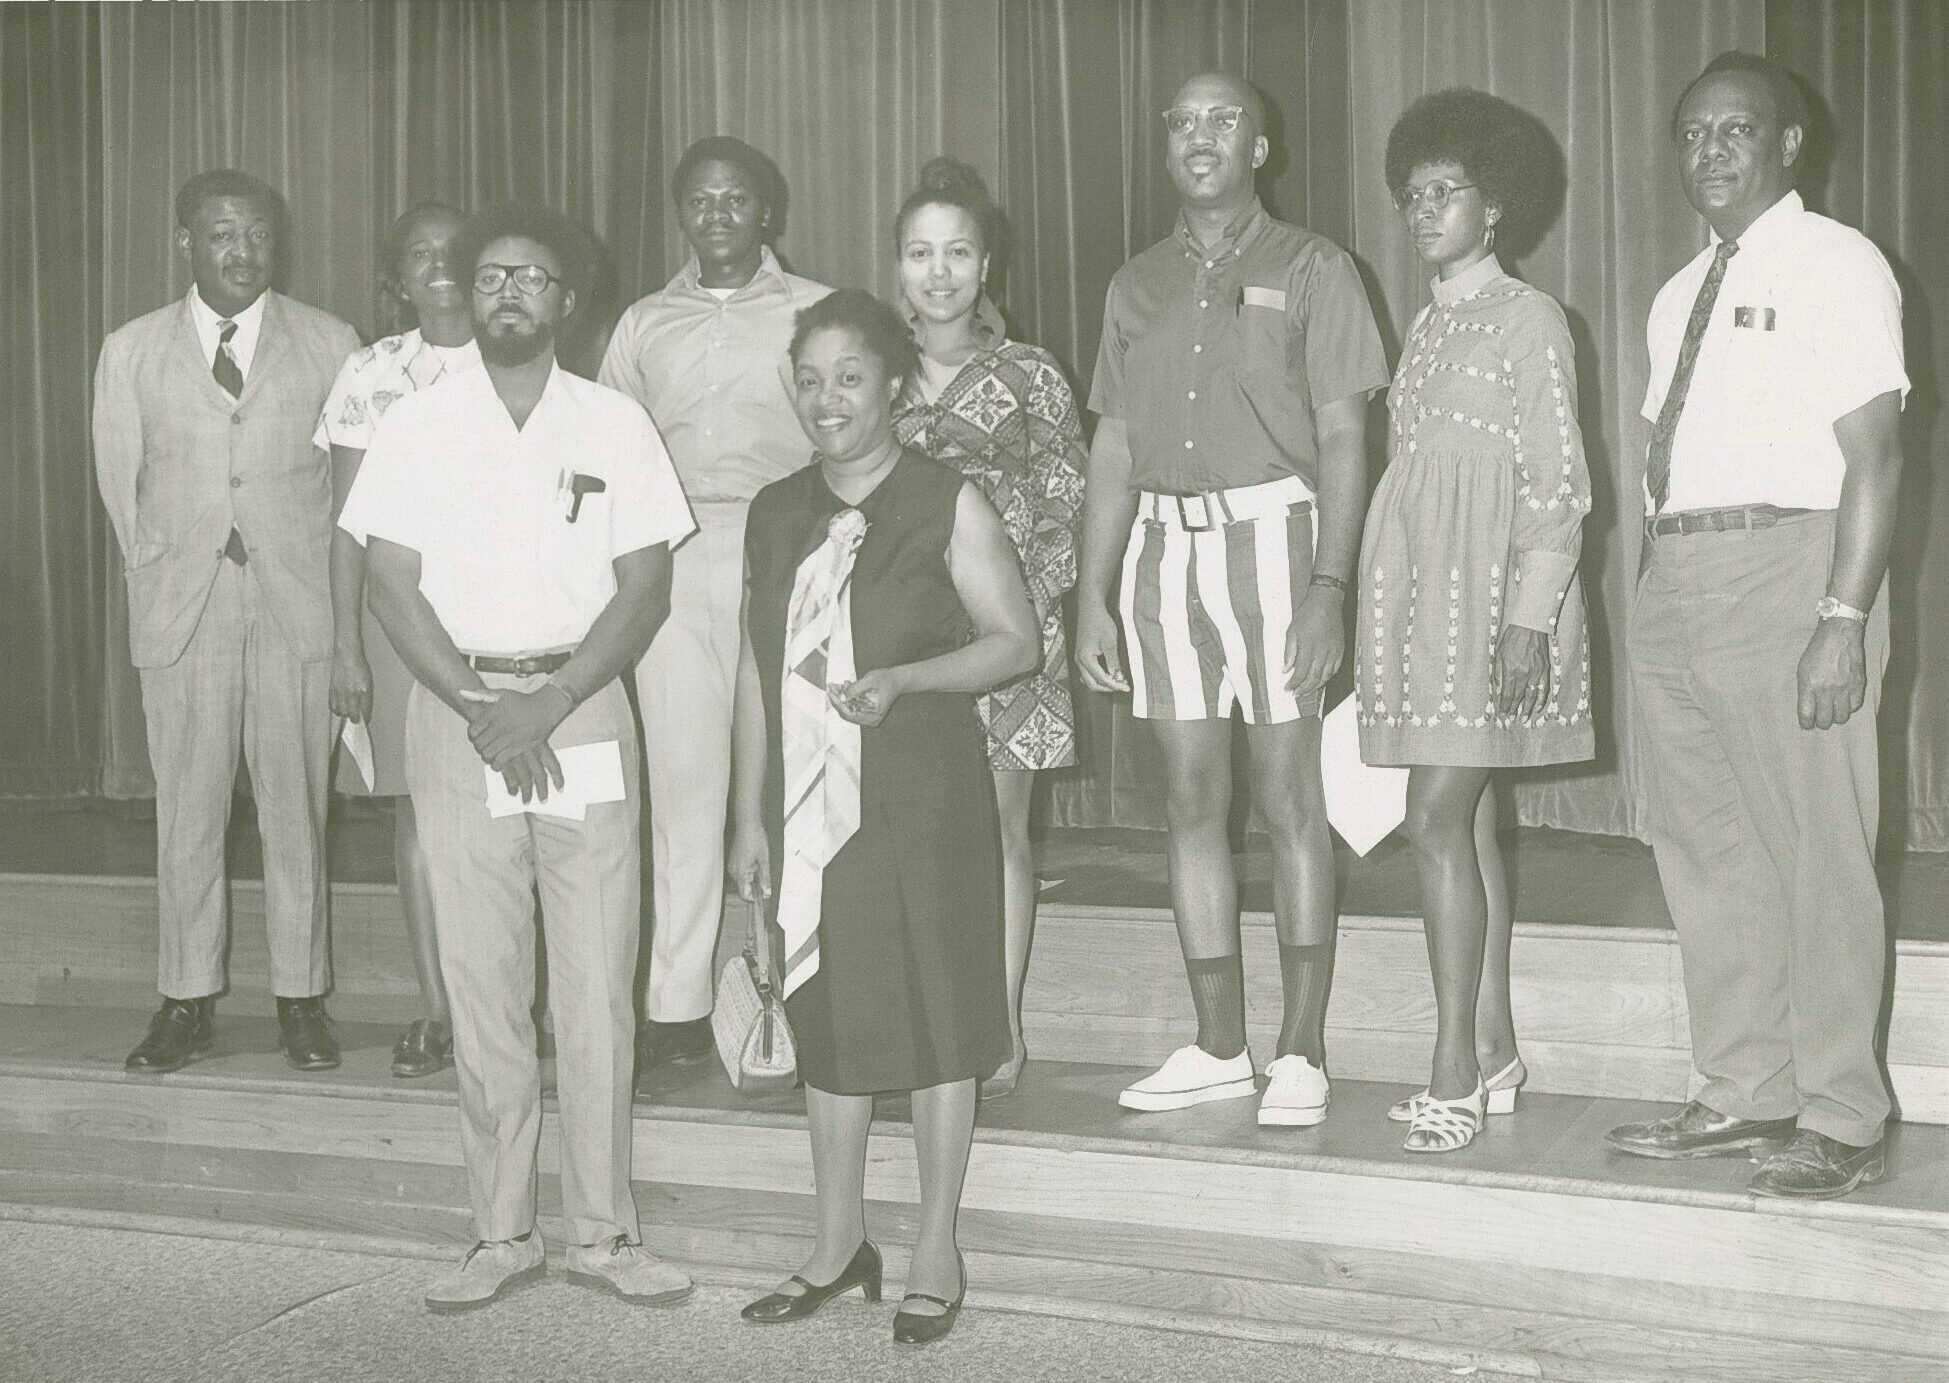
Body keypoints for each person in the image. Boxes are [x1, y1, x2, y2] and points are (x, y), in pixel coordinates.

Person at [340, 203, 698, 1308]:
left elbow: (646, 588)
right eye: (490, 275)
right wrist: (473, 700)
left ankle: (603, 1233)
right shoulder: (418, 422)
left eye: (530, 278)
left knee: (593, 982)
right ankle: (500, 1233)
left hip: (579, 708)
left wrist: (549, 699)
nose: (505, 292)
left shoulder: (614, 424)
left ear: (566, 300)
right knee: (484, 982)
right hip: (459, 718)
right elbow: (386, 579)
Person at [1606, 52, 1905, 1199]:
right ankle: (1743, 1089)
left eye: (1735, 131)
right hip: (1676, 576)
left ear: (1788, 145)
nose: (1709, 150)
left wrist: (1841, 615)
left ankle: (1838, 1113)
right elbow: (1656, 458)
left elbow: (1872, 456)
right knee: (1705, 853)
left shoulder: (1837, 263)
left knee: (1816, 850)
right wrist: (1648, 596)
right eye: (1690, 133)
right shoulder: (1677, 292)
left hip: (1791, 567)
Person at [1074, 73, 1388, 1126]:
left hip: (1279, 544)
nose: (1196, 137)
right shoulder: (1133, 284)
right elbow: (1111, 447)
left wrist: (1329, 586)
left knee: (1291, 800)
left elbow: (1347, 436)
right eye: (1178, 122)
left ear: (1260, 146)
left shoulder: (1313, 267)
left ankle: (1298, 1049)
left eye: (1220, 121)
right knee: (1189, 806)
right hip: (1163, 553)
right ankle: (1218, 1044)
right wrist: (1092, 596)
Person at [730, 291, 1037, 1344]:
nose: (826, 399)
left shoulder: (945, 500)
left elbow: (1014, 642)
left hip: (923, 789)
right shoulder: (774, 512)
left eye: (848, 377)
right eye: (808, 378)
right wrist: (748, 818)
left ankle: (936, 1245)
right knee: (825, 1005)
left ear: (892, 385)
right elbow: (749, 675)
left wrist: (906, 678)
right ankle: (833, 1245)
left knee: (941, 1011)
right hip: (807, 810)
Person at [1355, 90, 1593, 1152]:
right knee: (1471, 820)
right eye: (1410, 196)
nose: (1422, 212)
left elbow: (1554, 483)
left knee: (1436, 819)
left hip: (1493, 608)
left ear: (1493, 208)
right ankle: (1493, 1046)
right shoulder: (1425, 323)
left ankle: (1450, 1061)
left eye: (1443, 193)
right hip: (1424, 607)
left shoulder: (1528, 319)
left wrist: (1526, 619)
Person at [93, 170, 358, 1075]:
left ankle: (301, 998)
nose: (242, 251)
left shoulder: (330, 342)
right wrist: (171, 574)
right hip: (185, 612)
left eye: (256, 234)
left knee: (298, 812)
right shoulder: (129, 350)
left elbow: (349, 490)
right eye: (221, 235)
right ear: (186, 243)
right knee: (189, 813)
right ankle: (185, 998)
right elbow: (121, 489)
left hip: (296, 605)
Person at [599, 136, 830, 1077]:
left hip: (793, 549)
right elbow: (607, 450)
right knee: (685, 783)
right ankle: (678, 1004)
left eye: (737, 199)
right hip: (676, 558)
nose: (719, 214)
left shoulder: (815, 309)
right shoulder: (642, 323)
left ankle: (816, 988)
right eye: (701, 200)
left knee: (804, 780)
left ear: (766, 213)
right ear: (681, 213)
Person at [890, 157, 1086, 1100]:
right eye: (920, 253)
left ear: (984, 262)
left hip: (1010, 639)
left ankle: (999, 1027)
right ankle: (919, 1026)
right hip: (896, 651)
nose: (939, 272)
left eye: (956, 252)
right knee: (906, 836)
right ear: (897, 266)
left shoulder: (1028, 373)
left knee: (1002, 834)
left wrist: (1017, 615)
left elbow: (1065, 500)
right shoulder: (872, 373)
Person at [317, 201, 478, 1079]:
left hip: (510, 624)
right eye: (420, 253)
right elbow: (347, 525)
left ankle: (504, 1006)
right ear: (399, 276)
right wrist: (346, 646)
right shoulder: (370, 370)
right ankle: (438, 1008)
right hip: (397, 622)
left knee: (504, 814)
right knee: (419, 814)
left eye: (456, 251)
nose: (440, 265)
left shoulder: (523, 355)